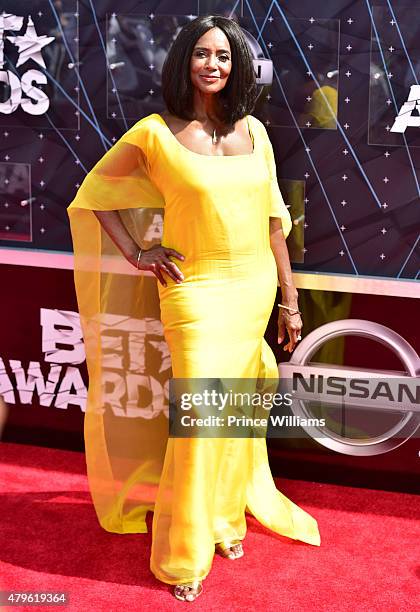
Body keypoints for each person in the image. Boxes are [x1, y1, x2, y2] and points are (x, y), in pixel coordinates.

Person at [67, 15, 321, 603]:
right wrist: (137, 251)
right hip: (194, 290)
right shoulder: (154, 133)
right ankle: (184, 556)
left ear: (238, 68)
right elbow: (96, 195)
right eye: (203, 54)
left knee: (233, 413)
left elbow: (273, 222)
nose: (214, 65)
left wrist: (289, 300)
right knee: (199, 422)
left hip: (253, 286)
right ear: (184, 61)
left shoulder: (254, 131)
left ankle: (227, 519)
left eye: (225, 56)